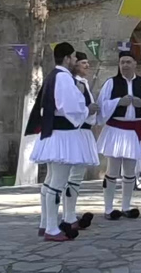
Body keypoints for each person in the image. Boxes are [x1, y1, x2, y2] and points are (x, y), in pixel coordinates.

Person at [25, 42, 93, 242]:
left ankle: (46, 223)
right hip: (63, 136)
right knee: (57, 182)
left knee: (50, 182)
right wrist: (88, 109)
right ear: (67, 58)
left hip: (54, 134)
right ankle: (52, 228)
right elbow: (71, 107)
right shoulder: (63, 77)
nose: (75, 61)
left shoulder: (53, 75)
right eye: (73, 57)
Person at [96, 50, 141, 221]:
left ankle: (126, 206)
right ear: (119, 65)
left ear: (134, 64)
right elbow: (102, 105)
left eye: (128, 62)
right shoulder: (111, 83)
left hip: (134, 131)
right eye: (122, 62)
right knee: (112, 170)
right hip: (116, 129)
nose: (125, 65)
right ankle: (108, 208)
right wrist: (118, 102)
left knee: (130, 171)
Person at [61, 52, 100, 233]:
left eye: (87, 63)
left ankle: (71, 214)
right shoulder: (73, 83)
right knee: (72, 177)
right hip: (76, 132)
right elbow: (72, 109)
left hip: (84, 132)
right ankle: (68, 216)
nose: (86, 66)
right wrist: (88, 109)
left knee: (76, 177)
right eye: (82, 63)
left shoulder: (82, 83)